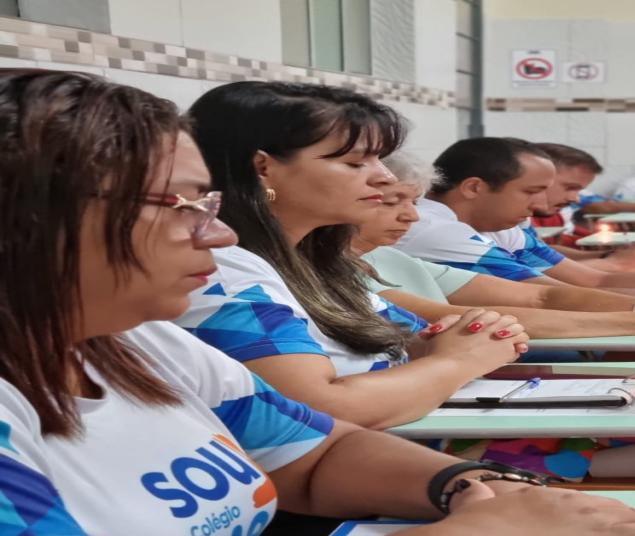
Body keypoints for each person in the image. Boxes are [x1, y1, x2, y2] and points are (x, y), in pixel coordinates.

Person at [0, 69, 635, 536]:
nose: (216, 234)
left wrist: (482, 489)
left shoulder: (136, 343)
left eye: (207, 203)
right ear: (31, 214)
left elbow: (317, 453)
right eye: (180, 205)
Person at [178, 81, 529, 431]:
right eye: (355, 162)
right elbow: (314, 410)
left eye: (378, 159)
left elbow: (412, 345)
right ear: (263, 168)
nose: (385, 177)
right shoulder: (222, 273)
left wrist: (459, 341)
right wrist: (460, 360)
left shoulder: (321, 264)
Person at [359, 152, 635, 338]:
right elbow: (457, 319)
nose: (411, 216)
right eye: (391, 202)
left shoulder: (387, 255)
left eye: (411, 202)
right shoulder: (432, 231)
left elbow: (544, 295)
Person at [400, 137, 635, 298]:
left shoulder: (500, 226)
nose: (538, 204)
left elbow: (593, 281)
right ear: (475, 187)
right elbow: (555, 296)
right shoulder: (437, 230)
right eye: (530, 191)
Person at [527, 143, 635, 273]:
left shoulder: (523, 223)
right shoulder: (517, 220)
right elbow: (524, 277)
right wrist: (615, 263)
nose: (575, 199)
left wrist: (611, 255)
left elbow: (541, 253)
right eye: (570, 187)